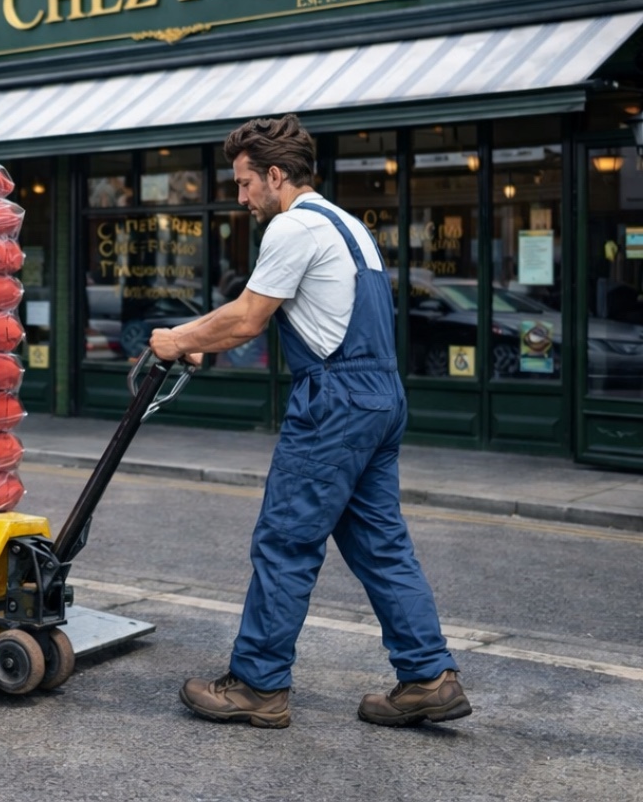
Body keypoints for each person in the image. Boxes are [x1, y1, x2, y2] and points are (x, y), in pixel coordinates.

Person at [149, 114, 470, 729]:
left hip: (335, 403)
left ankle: (257, 684)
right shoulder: (350, 224)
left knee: (286, 539)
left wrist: (177, 338)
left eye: (244, 184)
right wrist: (197, 338)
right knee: (380, 542)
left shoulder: (293, 227)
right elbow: (263, 311)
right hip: (380, 397)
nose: (240, 198)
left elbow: (247, 318)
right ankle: (429, 675)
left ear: (275, 175)